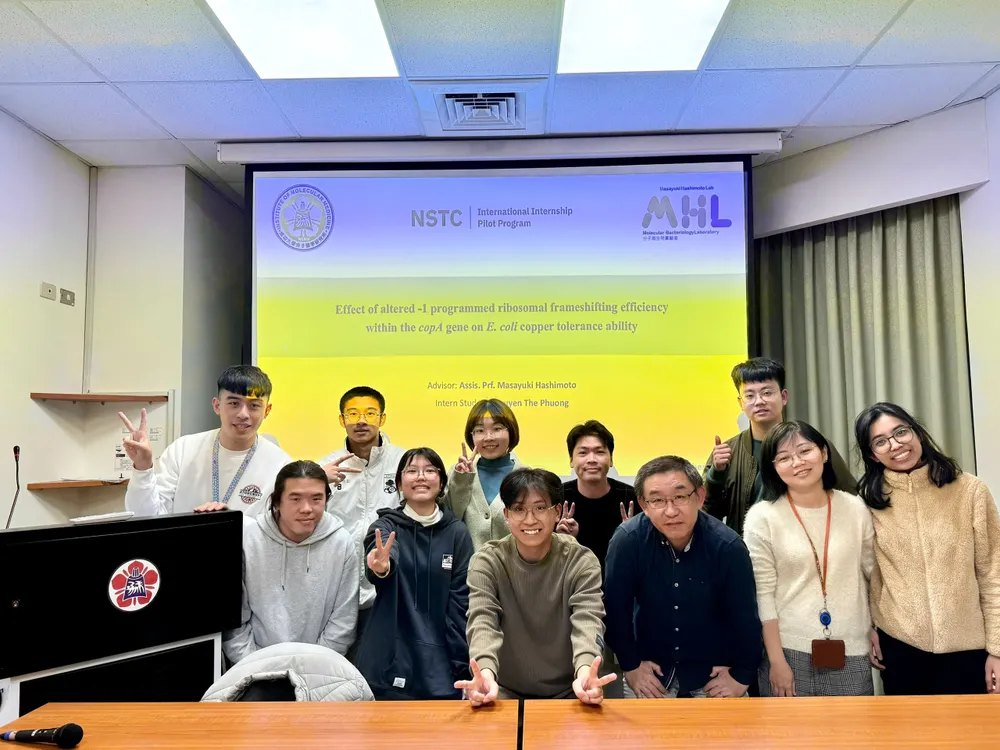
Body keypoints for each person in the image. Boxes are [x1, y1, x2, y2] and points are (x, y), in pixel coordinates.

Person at [855, 402, 1000, 695]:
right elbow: (865, 576)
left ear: (917, 433)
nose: (895, 445)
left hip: (968, 648)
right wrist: (867, 628)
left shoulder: (970, 491)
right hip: (900, 647)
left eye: (900, 432)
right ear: (872, 454)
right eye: (880, 441)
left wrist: (997, 649)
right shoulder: (868, 502)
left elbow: (992, 572)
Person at [604, 455, 761, 699]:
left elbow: (745, 618)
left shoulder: (727, 546)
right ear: (644, 505)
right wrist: (630, 665)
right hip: (650, 673)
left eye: (680, 497)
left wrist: (742, 676)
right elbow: (615, 612)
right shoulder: (627, 541)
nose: (671, 511)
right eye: (657, 500)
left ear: (700, 497)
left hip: (714, 674)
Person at [457, 468, 614, 705]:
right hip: (503, 690)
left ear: (557, 512)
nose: (530, 520)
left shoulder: (580, 560)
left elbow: (588, 620)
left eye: (540, 508)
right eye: (519, 509)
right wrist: (485, 674)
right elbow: (483, 621)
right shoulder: (487, 561)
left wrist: (585, 672)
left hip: (571, 690)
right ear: (507, 515)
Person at [743, 421, 875, 697]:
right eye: (784, 458)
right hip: (788, 651)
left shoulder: (856, 508)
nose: (797, 462)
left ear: (824, 453)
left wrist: (874, 627)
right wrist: (776, 661)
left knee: (856, 727)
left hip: (851, 648)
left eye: (805, 451)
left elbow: (872, 575)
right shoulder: (762, 517)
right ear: (773, 467)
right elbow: (763, 594)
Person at [355, 447, 474, 700]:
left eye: (429, 470)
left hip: (441, 664)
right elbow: (382, 551)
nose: (420, 477)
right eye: (411, 471)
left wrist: (462, 665)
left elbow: (460, 603)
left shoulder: (457, 533)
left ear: (441, 482)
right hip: (389, 660)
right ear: (399, 483)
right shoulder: (386, 526)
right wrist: (381, 566)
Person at [223, 460, 360, 665]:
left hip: (319, 668)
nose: (306, 508)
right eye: (295, 499)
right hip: (253, 667)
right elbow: (234, 622)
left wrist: (313, 667)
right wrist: (255, 666)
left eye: (317, 499)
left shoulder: (341, 543)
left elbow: (343, 621)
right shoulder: (248, 540)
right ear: (277, 502)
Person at [704, 358, 855, 536]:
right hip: (747, 549)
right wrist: (716, 474)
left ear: (783, 397)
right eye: (750, 396)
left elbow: (850, 498)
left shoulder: (814, 445)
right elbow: (706, 514)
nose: (759, 401)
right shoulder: (727, 452)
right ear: (740, 403)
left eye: (767, 392)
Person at [120, 365, 292, 516]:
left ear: (267, 410)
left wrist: (229, 522)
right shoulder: (183, 450)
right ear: (217, 406)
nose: (243, 414)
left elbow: (277, 530)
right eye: (234, 403)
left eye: (254, 405)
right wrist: (143, 468)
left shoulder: (281, 465)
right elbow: (146, 516)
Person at [317, 386, 406, 655]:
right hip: (337, 584)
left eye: (370, 413)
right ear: (341, 419)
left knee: (381, 661)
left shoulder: (403, 462)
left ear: (382, 418)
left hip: (389, 581)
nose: (361, 421)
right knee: (336, 660)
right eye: (353, 414)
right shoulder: (326, 466)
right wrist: (317, 480)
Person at [557, 420, 639, 576]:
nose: (592, 459)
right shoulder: (556, 498)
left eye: (599, 452)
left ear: (611, 459)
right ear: (571, 461)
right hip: (572, 581)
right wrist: (561, 540)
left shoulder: (632, 498)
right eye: (583, 453)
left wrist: (632, 536)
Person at [443, 399, 523, 550]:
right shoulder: (458, 474)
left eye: (497, 428)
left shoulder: (528, 478)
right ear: (471, 436)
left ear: (511, 432)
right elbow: (448, 521)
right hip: (468, 565)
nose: (488, 437)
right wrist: (461, 481)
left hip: (513, 565)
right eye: (480, 430)